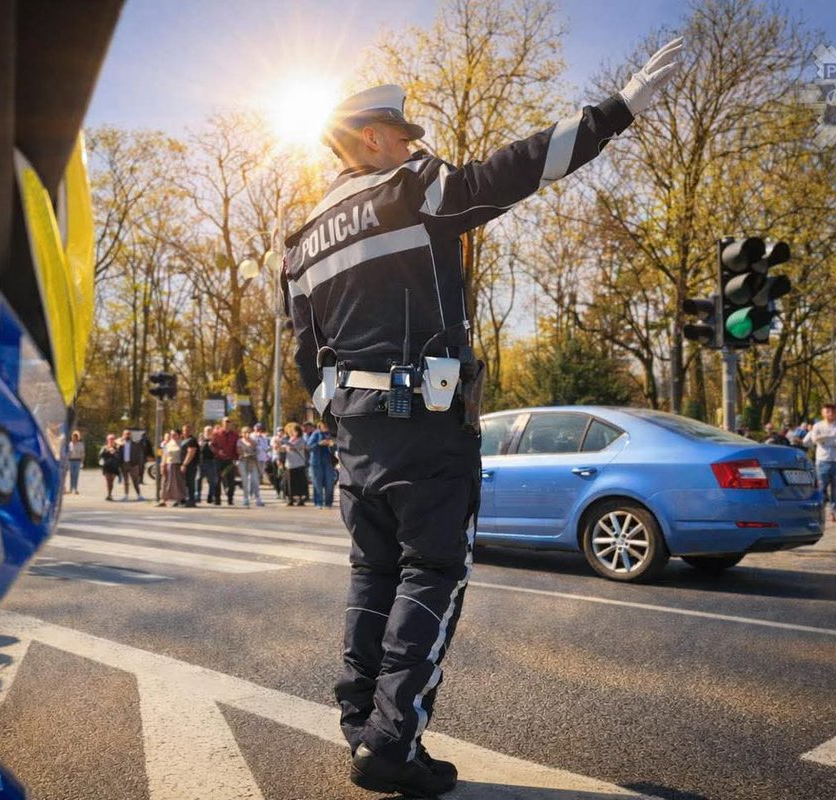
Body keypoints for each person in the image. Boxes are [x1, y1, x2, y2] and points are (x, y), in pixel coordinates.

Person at [283, 37, 683, 796]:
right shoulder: (409, 187)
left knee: (372, 575)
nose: (414, 145)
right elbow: (515, 171)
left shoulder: (299, 242)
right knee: (432, 575)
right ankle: (391, 744)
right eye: (404, 135)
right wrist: (617, 112)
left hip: (357, 436)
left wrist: (346, 424)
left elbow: (309, 361)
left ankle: (359, 720)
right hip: (424, 428)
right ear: (373, 138)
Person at [803, 404, 836, 522]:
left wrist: (824, 439)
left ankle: (835, 512)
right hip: (822, 461)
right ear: (823, 413)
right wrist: (831, 438)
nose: (830, 414)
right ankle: (820, 513)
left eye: (832, 411)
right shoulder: (817, 426)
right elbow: (814, 440)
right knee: (821, 489)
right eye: (827, 411)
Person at [307, 418, 337, 509]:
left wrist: (333, 445)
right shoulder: (316, 433)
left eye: (326, 424)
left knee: (329, 484)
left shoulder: (332, 434)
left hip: (329, 463)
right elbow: (309, 446)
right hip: (316, 462)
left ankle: (328, 503)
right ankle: (318, 503)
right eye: (323, 424)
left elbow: (338, 448)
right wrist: (319, 444)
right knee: (317, 484)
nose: (325, 426)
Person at [211, 418, 240, 505]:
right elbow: (212, 446)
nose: (227, 424)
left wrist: (236, 458)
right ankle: (217, 499)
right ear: (222, 423)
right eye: (226, 422)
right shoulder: (216, 434)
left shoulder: (235, 435)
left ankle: (230, 498)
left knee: (231, 480)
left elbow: (237, 447)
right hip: (218, 460)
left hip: (230, 460)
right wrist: (217, 452)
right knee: (217, 480)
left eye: (229, 422)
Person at [280, 422, 310, 506]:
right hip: (289, 464)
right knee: (290, 483)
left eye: (294, 431)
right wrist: (282, 447)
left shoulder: (302, 439)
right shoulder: (288, 439)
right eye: (291, 431)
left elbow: (306, 447)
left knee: (300, 482)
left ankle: (300, 499)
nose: (293, 433)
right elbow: (282, 449)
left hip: (299, 463)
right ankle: (290, 498)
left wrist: (293, 447)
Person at [157, 430, 186, 507]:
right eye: (172, 434)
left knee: (177, 483)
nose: (173, 435)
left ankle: (179, 499)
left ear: (179, 435)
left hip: (177, 465)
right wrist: (162, 465)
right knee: (165, 482)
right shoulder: (168, 444)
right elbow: (164, 455)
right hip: (168, 464)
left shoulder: (181, 444)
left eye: (175, 434)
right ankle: (163, 499)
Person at [237, 427, 264, 507]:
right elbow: (239, 451)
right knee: (245, 481)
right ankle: (245, 498)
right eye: (245, 433)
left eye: (248, 432)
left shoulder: (254, 441)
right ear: (242, 434)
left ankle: (258, 498)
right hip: (243, 461)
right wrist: (244, 454)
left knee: (255, 480)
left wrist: (254, 448)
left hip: (253, 462)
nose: (247, 434)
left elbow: (258, 451)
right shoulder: (240, 441)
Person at [118, 429, 144, 500]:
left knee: (135, 481)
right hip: (124, 464)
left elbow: (139, 456)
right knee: (125, 481)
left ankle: (139, 495)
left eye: (128, 434)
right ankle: (126, 495)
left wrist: (139, 465)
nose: (127, 435)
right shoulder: (120, 445)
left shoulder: (135, 444)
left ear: (131, 435)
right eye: (125, 434)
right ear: (123, 435)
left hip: (133, 465)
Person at [178, 424, 200, 507]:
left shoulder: (192, 440)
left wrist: (184, 464)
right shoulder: (184, 440)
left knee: (190, 483)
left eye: (187, 430)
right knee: (185, 483)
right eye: (184, 430)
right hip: (185, 465)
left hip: (190, 465)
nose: (185, 432)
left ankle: (191, 500)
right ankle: (184, 499)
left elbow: (191, 453)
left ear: (191, 431)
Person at [199, 424, 218, 505]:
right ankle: (197, 496)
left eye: (210, 431)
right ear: (204, 432)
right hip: (201, 462)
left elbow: (216, 452)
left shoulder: (214, 441)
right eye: (207, 431)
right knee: (198, 479)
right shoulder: (200, 440)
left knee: (212, 481)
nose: (208, 433)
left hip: (211, 462)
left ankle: (211, 496)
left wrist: (211, 446)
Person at [98, 434, 120, 501]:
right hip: (106, 466)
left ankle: (110, 494)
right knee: (108, 481)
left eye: (112, 439)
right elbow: (100, 455)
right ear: (107, 440)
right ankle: (108, 494)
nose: (111, 440)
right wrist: (107, 450)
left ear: (114, 440)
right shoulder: (104, 447)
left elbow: (119, 457)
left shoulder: (117, 447)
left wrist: (114, 452)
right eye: (110, 439)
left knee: (111, 481)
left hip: (114, 466)